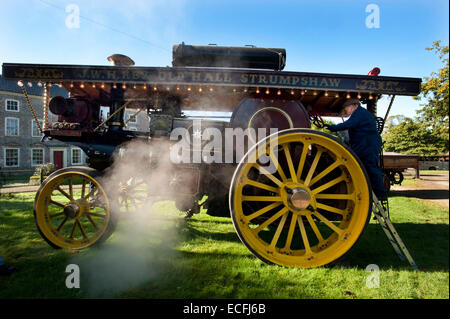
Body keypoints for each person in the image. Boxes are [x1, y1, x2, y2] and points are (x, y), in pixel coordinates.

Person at [325, 99, 387, 200]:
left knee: (371, 167)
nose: (346, 112)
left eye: (347, 109)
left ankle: (380, 193)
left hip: (368, 144)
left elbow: (348, 124)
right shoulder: (360, 113)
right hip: (364, 144)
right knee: (365, 167)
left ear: (355, 105)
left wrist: (333, 128)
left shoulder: (360, 113)